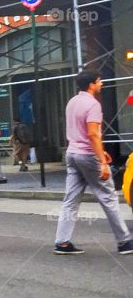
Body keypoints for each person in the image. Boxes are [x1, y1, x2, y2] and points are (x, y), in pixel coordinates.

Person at [54, 69, 133, 255]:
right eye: (99, 81)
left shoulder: (72, 102)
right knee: (108, 197)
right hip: (88, 156)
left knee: (70, 200)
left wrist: (102, 152)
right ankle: (124, 242)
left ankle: (62, 242)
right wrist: (102, 161)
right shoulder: (93, 104)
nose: (101, 84)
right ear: (91, 85)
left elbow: (82, 132)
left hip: (72, 153)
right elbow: (92, 134)